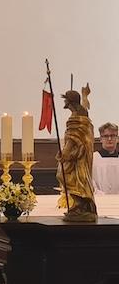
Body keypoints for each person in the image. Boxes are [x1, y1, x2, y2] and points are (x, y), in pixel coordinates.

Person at [56, 90, 97, 221]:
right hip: (81, 154)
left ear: (69, 102)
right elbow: (85, 106)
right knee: (76, 178)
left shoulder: (75, 117)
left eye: (65, 99)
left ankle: (80, 203)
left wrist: (65, 153)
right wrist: (85, 96)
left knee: (65, 175)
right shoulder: (82, 112)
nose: (64, 102)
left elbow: (73, 137)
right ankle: (80, 205)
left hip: (78, 155)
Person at [92, 122, 119, 194]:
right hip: (100, 198)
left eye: (113, 135)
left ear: (117, 138)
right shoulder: (93, 158)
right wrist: (101, 195)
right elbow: (90, 181)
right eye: (106, 136)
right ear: (101, 139)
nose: (109, 139)